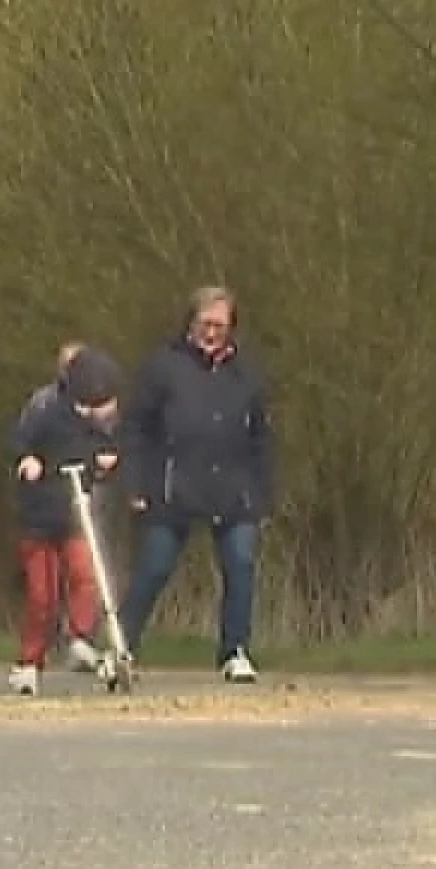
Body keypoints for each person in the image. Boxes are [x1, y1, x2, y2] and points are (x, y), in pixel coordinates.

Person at [118, 285, 274, 683]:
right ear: (191, 322)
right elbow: (136, 428)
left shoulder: (248, 375)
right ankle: (121, 645)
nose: (212, 332)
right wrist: (136, 483)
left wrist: (262, 493)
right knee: (154, 568)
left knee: (240, 566)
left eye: (220, 325)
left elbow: (262, 438)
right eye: (206, 324)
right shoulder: (163, 367)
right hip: (174, 488)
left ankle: (235, 651)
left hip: (234, 490)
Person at [6, 347, 122, 694]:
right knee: (43, 595)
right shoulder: (47, 412)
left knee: (88, 576)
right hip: (40, 517)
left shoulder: (101, 424)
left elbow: (112, 447)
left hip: (76, 515)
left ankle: (81, 637)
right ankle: (29, 660)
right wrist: (28, 460)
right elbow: (19, 440)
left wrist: (107, 462)